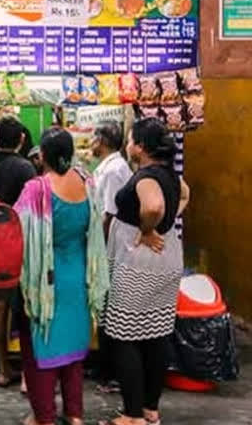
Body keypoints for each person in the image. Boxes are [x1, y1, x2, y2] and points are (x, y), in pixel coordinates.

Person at [14, 128, 109, 425]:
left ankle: (44, 417)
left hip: (45, 282)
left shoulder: (36, 189)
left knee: (41, 348)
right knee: (72, 352)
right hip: (80, 278)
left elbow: (17, 230)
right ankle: (75, 414)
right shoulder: (87, 183)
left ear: (42, 155)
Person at [99, 118, 190, 425]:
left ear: (140, 146)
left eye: (130, 140)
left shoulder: (148, 176)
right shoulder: (170, 175)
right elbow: (185, 196)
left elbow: (152, 207)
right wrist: (165, 223)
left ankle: (132, 414)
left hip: (139, 260)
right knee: (156, 332)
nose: (127, 145)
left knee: (124, 335)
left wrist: (148, 228)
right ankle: (150, 409)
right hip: (165, 260)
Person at [0, 116, 36, 388]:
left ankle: (4, 369)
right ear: (22, 140)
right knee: (26, 308)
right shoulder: (26, 168)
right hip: (20, 243)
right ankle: (29, 374)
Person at [91, 120, 133, 394]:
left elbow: (109, 214)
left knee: (110, 311)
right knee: (106, 311)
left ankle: (111, 374)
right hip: (109, 248)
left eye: (94, 137)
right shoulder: (110, 167)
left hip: (112, 249)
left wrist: (99, 251)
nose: (91, 142)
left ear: (103, 140)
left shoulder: (115, 170)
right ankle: (106, 370)